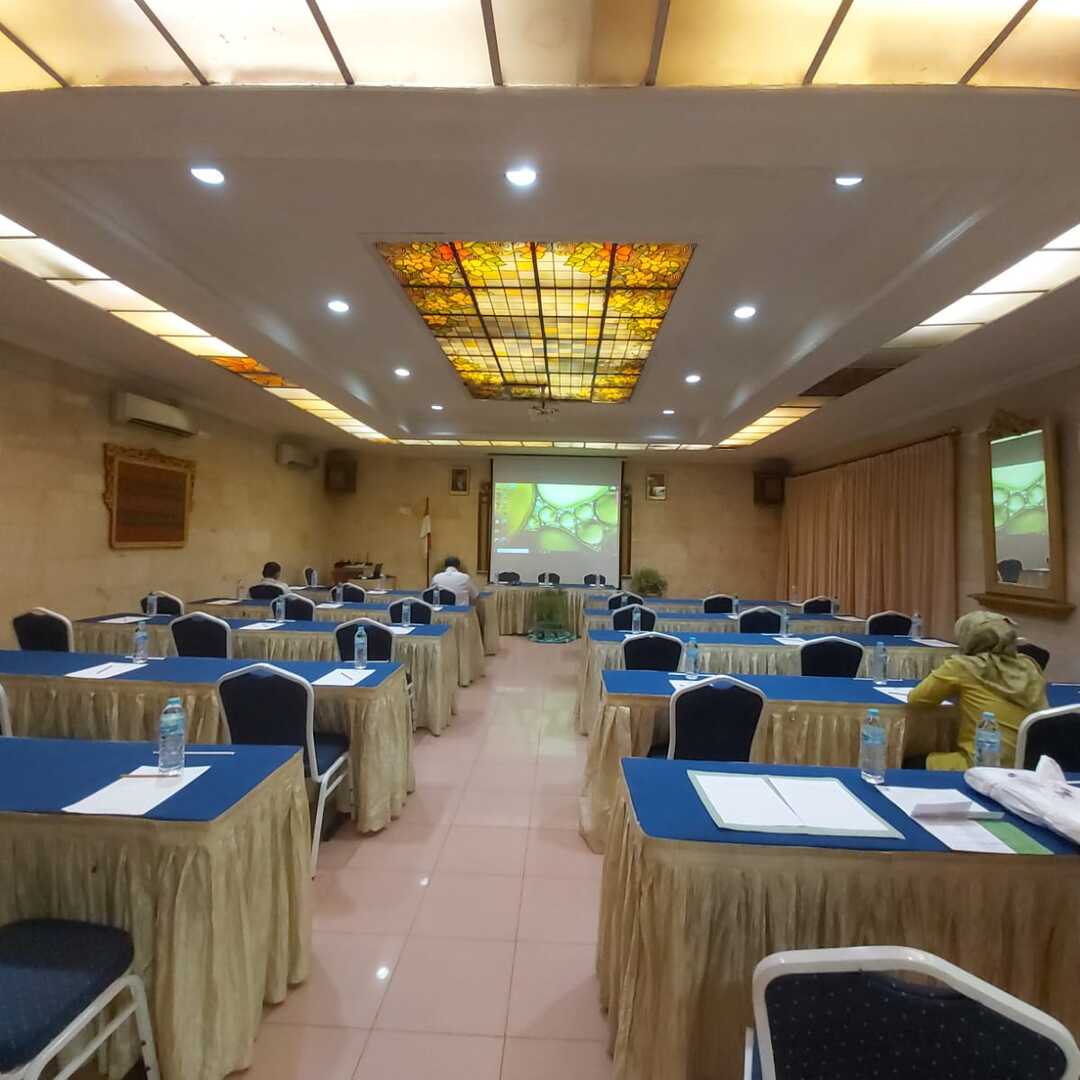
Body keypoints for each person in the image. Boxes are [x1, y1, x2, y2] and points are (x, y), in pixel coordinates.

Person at [907, 610, 1047, 770]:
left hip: (981, 763)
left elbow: (916, 700)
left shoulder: (963, 666)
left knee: (908, 761)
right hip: (1031, 766)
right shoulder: (1029, 665)